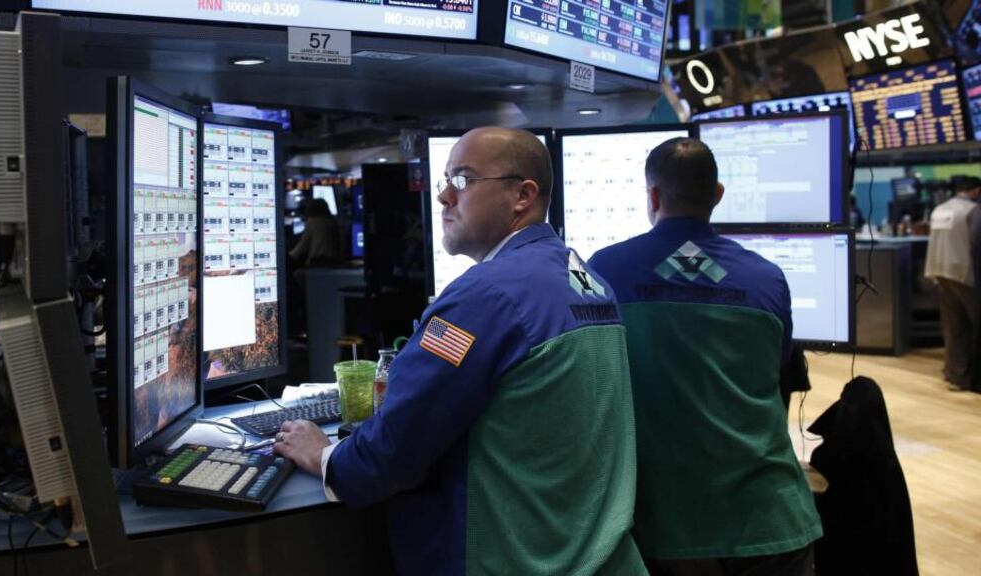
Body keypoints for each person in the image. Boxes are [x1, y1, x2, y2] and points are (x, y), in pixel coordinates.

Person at [274, 127, 646, 575]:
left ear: (522, 196)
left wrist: (324, 456)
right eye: (445, 179)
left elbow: (395, 449)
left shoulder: (486, 296)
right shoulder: (588, 282)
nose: (445, 196)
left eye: (464, 180)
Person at [589, 138, 822, 576]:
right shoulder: (767, 279)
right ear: (717, 196)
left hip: (664, 528)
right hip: (769, 520)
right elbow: (776, 369)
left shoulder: (605, 270)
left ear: (653, 196)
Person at [924, 175, 981, 392]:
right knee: (973, 326)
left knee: (953, 326)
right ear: (975, 191)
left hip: (939, 271)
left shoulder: (940, 209)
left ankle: (953, 372)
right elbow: (976, 240)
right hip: (964, 273)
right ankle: (969, 378)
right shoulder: (971, 211)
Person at [288, 197, 342, 268]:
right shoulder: (333, 222)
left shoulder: (312, 222)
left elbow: (301, 248)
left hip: (317, 264)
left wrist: (286, 257)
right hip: (336, 264)